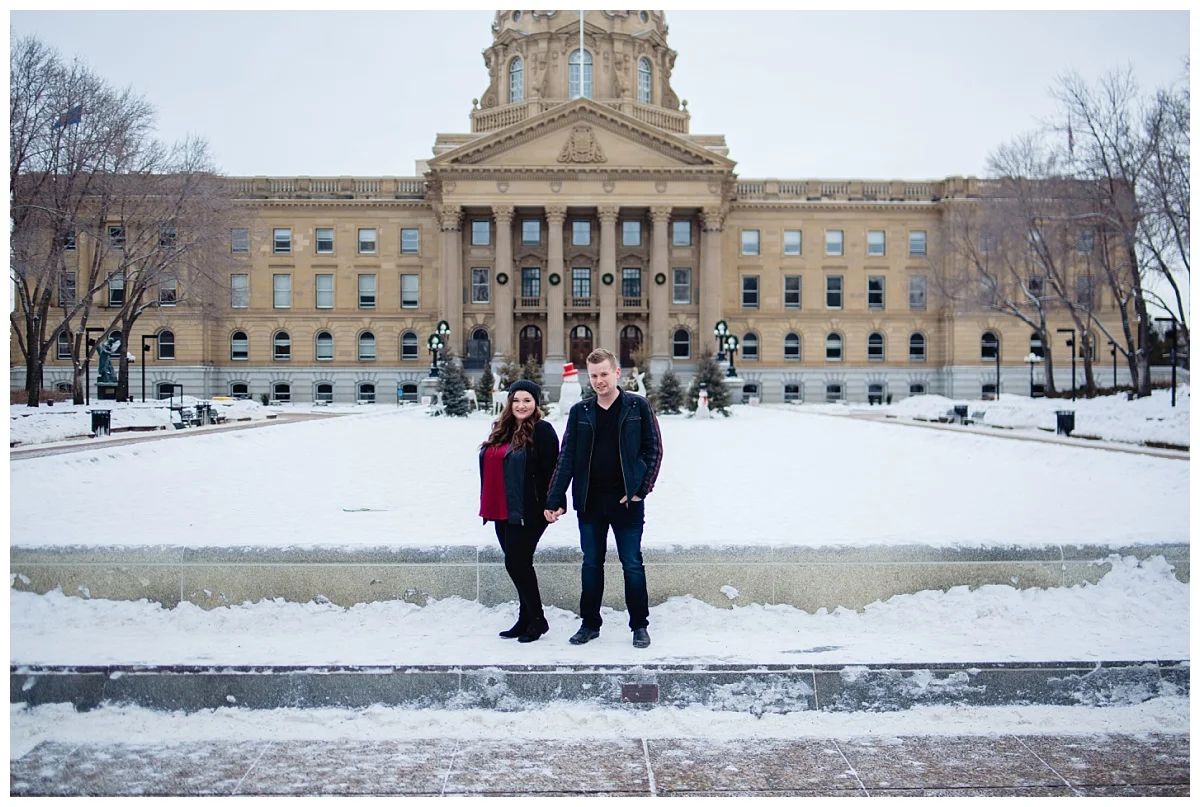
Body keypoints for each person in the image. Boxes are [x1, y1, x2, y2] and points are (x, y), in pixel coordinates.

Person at [544, 348, 662, 648]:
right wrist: (553, 499)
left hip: (627, 503)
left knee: (632, 563)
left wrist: (640, 490)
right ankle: (589, 624)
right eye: (594, 375)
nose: (599, 381)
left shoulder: (637, 406)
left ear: (617, 373)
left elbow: (654, 451)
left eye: (604, 374)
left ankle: (639, 626)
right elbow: (567, 457)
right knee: (591, 564)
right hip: (591, 503)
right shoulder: (580, 412)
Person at [479, 379, 560, 643]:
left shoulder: (543, 431)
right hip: (501, 508)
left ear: (536, 403)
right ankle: (525, 619)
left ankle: (537, 619)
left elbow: (554, 471)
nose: (521, 405)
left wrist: (555, 502)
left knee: (515, 563)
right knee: (520, 563)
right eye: (516, 400)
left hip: (530, 510)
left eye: (527, 400)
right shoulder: (502, 430)